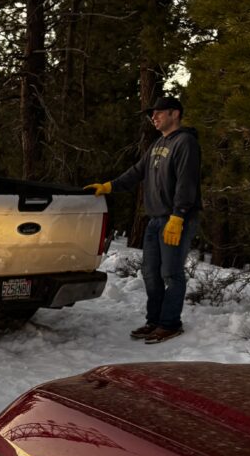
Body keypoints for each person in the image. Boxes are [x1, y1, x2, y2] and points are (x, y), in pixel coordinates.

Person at [85, 95, 202, 344]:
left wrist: (178, 216)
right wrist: (108, 186)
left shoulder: (186, 142)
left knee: (171, 273)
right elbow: (136, 172)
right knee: (150, 273)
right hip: (155, 219)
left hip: (175, 219)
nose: (154, 117)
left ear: (174, 113)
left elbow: (186, 183)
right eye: (153, 114)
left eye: (159, 112)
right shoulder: (159, 143)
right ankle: (154, 321)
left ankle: (170, 324)